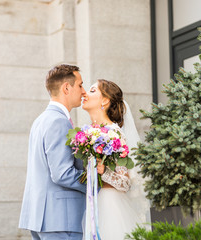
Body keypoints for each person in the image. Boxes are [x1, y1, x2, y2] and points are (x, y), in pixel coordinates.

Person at [19, 64, 105, 240]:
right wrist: (93, 185)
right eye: (80, 85)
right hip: (60, 219)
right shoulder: (58, 121)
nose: (83, 91)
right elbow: (62, 173)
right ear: (67, 88)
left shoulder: (40, 120)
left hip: (40, 217)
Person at [82, 79, 150, 240]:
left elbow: (125, 184)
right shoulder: (87, 133)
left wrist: (104, 172)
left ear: (104, 100)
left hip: (110, 207)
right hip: (93, 204)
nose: (85, 93)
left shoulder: (115, 134)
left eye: (92, 90)